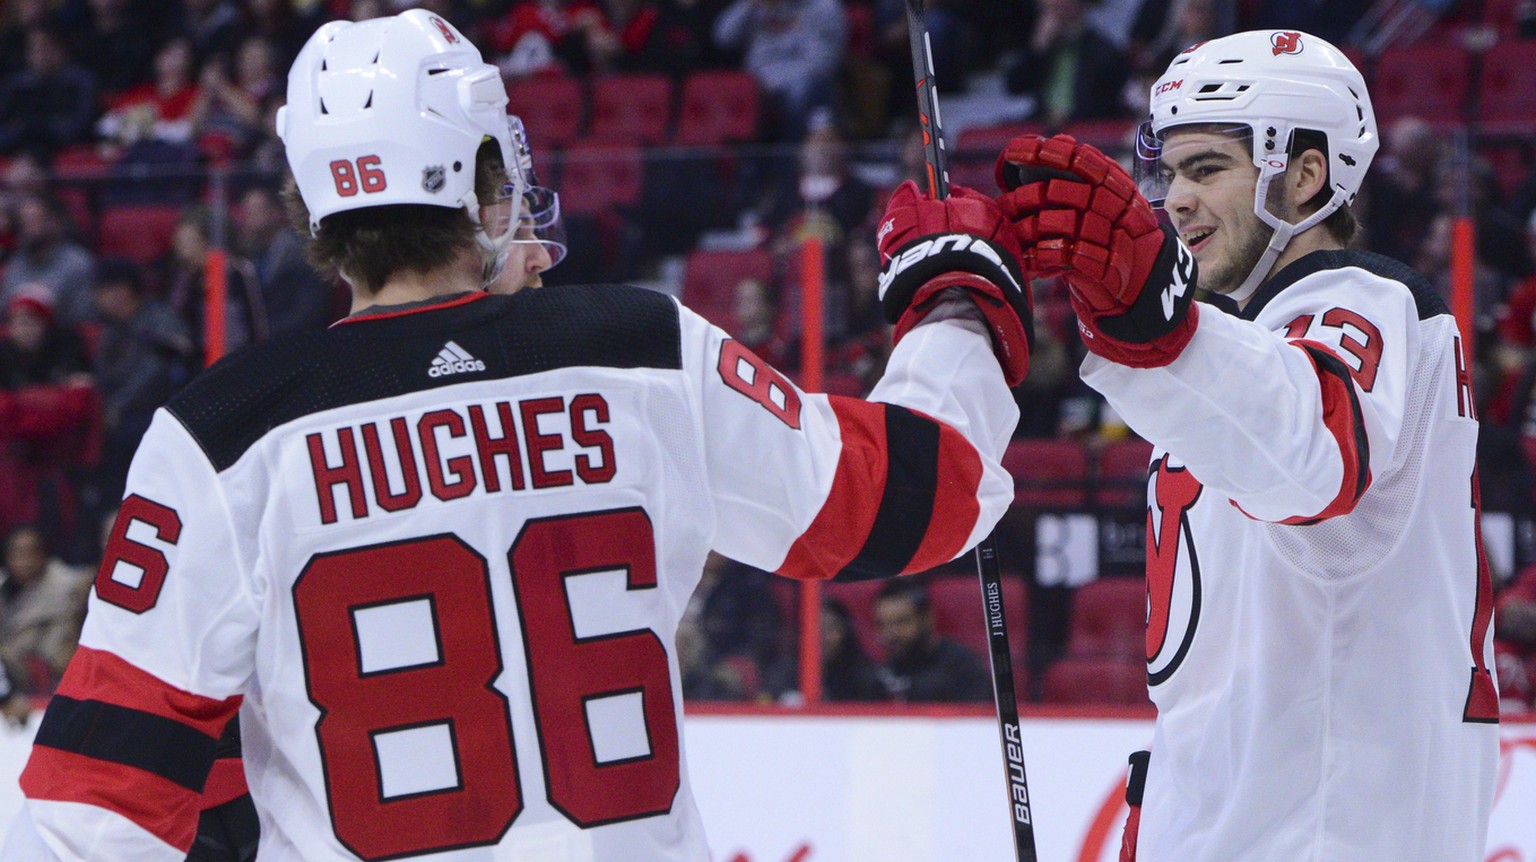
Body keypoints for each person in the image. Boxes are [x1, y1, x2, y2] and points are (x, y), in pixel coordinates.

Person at [2, 10, 1030, 861]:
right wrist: (954, 306)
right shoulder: (637, 348)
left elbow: (96, 803)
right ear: (481, 177)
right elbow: (909, 499)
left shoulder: (224, 430)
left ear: (315, 213)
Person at [996, 29, 1497, 860]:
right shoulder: (1239, 345)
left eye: (1207, 168)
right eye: (1169, 173)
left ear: (1305, 176)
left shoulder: (1362, 300)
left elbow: (1310, 455)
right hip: (1258, 818)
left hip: (1328, 830)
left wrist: (1145, 319)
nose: (1175, 199)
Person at [871, 579, 991, 703]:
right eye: (882, 625)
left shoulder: (964, 670)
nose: (890, 634)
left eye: (901, 622)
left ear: (927, 618)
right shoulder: (882, 671)